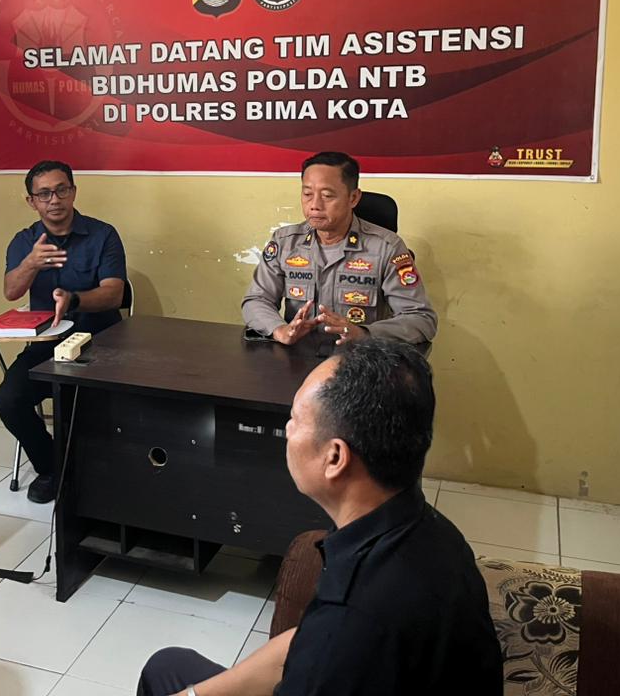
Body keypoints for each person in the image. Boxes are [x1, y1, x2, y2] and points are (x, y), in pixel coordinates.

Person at [138, 339, 503, 695]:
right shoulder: (428, 528)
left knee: (162, 674)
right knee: (168, 667)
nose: (287, 429)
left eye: (295, 419)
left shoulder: (351, 621)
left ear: (335, 458)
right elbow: (299, 646)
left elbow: (326, 649)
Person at [0, 160, 127, 503]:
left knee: (91, 401)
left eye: (61, 190)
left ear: (73, 192)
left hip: (102, 340)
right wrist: (30, 263)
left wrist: (73, 299)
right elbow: (11, 291)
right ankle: (54, 467)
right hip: (49, 342)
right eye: (44, 194)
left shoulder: (103, 235)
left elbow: (114, 293)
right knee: (8, 400)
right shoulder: (25, 241)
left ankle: (96, 468)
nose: (54, 200)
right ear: (32, 201)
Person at [242, 151, 436, 353]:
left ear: (353, 198)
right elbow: (257, 300)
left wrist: (364, 333)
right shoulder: (285, 242)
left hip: (360, 359)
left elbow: (421, 319)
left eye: (327, 196)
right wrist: (279, 330)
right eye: (307, 194)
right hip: (298, 358)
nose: (314, 205)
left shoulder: (387, 247)